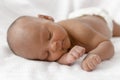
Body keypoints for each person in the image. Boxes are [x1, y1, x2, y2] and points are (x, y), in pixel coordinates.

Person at [7, 8, 120, 71]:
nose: (54, 47)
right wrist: (67, 58)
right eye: (46, 54)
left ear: (47, 18)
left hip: (100, 18)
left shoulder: (80, 31)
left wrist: (94, 55)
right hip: (77, 17)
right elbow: (59, 59)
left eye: (49, 36)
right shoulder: (58, 44)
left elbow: (107, 43)